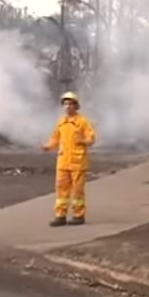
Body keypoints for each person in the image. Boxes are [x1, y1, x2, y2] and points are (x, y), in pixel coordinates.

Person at [41, 91, 97, 226]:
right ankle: (60, 215)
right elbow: (55, 138)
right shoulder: (61, 122)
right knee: (61, 189)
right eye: (65, 104)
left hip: (78, 162)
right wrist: (48, 147)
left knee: (77, 190)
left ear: (76, 106)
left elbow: (92, 138)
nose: (68, 106)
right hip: (63, 161)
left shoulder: (82, 122)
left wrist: (83, 141)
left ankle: (79, 215)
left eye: (71, 104)